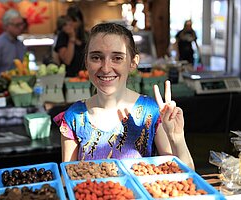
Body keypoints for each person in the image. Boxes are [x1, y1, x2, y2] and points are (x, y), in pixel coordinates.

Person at [54, 22, 194, 170]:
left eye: (117, 58)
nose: (106, 68)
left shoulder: (152, 113)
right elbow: (68, 176)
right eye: (96, 57)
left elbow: (184, 174)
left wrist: (176, 137)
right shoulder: (74, 117)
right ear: (86, 62)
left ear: (133, 62)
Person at [0, 9, 27, 80]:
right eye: (17, 25)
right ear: (6, 26)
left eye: (22, 24)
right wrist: (0, 84)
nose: (21, 28)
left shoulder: (20, 44)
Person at [54, 5, 88, 77]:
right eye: (69, 20)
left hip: (85, 77)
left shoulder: (86, 35)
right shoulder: (63, 36)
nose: (71, 23)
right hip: (68, 77)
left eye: (74, 20)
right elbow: (67, 60)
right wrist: (71, 37)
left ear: (80, 22)